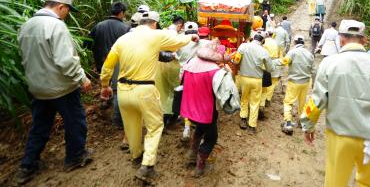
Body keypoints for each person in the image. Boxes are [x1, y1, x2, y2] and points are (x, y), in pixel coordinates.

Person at [301, 19, 370, 187]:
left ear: (341, 39)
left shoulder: (329, 63)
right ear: (364, 40)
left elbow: (316, 100)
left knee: (335, 181)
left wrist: (308, 124)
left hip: (340, 136)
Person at [100, 11, 198, 183]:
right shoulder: (155, 35)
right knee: (154, 126)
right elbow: (178, 41)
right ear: (154, 23)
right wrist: (192, 38)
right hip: (144, 90)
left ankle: (136, 156)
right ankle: (147, 165)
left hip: (123, 90)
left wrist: (104, 85)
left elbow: (108, 63)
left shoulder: (123, 39)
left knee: (132, 126)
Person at [16, 0, 93, 185]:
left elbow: (23, 57)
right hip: (61, 88)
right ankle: (75, 156)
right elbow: (65, 60)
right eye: (68, 10)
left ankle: (27, 165)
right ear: (61, 7)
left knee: (39, 126)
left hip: (37, 88)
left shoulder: (26, 25)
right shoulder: (56, 26)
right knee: (75, 121)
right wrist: (82, 78)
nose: (67, 14)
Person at [180, 41, 227, 177]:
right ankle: (199, 167)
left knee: (200, 128)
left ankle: (191, 154)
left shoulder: (190, 63)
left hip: (189, 107)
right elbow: (222, 93)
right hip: (206, 110)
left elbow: (181, 80)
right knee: (212, 137)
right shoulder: (215, 71)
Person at [88, 1, 130, 128]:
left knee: (106, 83)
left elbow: (88, 44)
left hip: (102, 62)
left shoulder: (98, 26)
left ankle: (105, 102)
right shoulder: (125, 28)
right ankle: (117, 120)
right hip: (119, 64)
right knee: (117, 88)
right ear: (121, 13)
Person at [232, 33, 275, 133]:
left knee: (244, 98)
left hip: (244, 78)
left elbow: (236, 61)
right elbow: (270, 68)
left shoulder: (243, 46)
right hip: (257, 80)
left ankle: (243, 119)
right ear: (262, 41)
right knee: (255, 102)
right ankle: (252, 126)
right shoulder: (264, 51)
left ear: (252, 39)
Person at [278, 35, 315, 135]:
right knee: (302, 102)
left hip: (294, 82)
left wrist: (273, 62)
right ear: (303, 43)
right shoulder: (309, 54)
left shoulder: (293, 52)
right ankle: (301, 122)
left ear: (294, 42)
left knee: (288, 102)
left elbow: (284, 62)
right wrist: (314, 83)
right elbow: (314, 70)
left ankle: (288, 123)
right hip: (306, 82)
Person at [259, 31, 281, 113]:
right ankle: (268, 99)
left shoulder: (263, 43)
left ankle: (262, 101)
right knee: (273, 82)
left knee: (264, 84)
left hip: (266, 63)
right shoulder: (276, 42)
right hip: (275, 62)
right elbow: (280, 55)